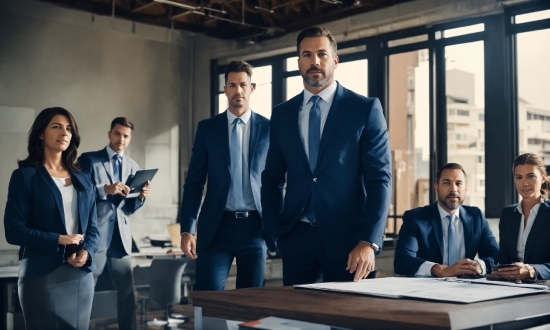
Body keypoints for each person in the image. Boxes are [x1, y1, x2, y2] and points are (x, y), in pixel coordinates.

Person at [261, 26, 392, 285]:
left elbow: (380, 180)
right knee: (298, 322)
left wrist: (369, 242)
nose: (315, 61)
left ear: (335, 60)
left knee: (345, 321)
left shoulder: (365, 109)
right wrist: (275, 231)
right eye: (307, 55)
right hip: (296, 240)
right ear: (299, 62)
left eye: (322, 54)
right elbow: (272, 178)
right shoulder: (282, 114)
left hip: (350, 244)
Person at [180, 60, 274, 291]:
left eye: (243, 85)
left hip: (255, 228)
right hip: (216, 228)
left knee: (250, 307)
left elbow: (279, 180)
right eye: (232, 85)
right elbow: (194, 183)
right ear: (225, 89)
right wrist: (186, 229)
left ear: (252, 88)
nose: (238, 90)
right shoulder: (208, 129)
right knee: (209, 302)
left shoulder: (270, 128)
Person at [4, 107, 99, 329]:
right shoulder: (25, 177)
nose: (64, 132)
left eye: (68, 128)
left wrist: (87, 252)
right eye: (56, 127)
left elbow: (93, 229)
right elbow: (13, 230)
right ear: (40, 133)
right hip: (40, 276)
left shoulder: (84, 178)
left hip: (80, 276)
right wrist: (58, 238)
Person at [79, 117, 151, 330]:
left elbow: (126, 210)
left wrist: (140, 198)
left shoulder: (133, 166)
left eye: (126, 136)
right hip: (94, 238)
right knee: (85, 294)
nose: (121, 139)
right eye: (117, 134)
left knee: (128, 295)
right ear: (109, 134)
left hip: (121, 240)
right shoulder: (89, 160)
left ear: (130, 139)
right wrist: (104, 189)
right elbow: (80, 195)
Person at [394, 163, 499, 277]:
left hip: (467, 287)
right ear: (436, 187)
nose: (453, 189)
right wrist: (439, 269)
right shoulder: (415, 218)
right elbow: (402, 260)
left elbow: (495, 255)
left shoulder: (476, 216)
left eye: (458, 183)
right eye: (446, 183)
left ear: (466, 188)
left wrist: (479, 265)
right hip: (428, 288)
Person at [494, 153, 550, 281]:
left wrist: (532, 270)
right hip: (512, 286)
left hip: (543, 289)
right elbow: (503, 257)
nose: (524, 183)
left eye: (530, 176)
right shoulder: (508, 214)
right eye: (519, 177)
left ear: (543, 178)